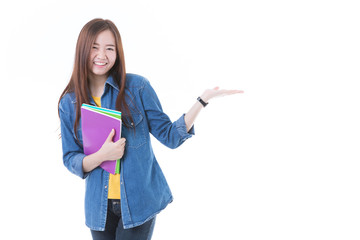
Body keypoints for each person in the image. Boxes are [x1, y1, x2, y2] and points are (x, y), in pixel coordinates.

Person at [58, 18, 243, 240]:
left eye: (109, 48)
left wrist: (202, 101)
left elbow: (171, 137)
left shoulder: (137, 88)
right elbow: (70, 157)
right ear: (82, 50)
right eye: (94, 47)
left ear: (118, 53)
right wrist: (101, 156)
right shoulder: (69, 103)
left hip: (139, 203)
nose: (101, 55)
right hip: (98, 209)